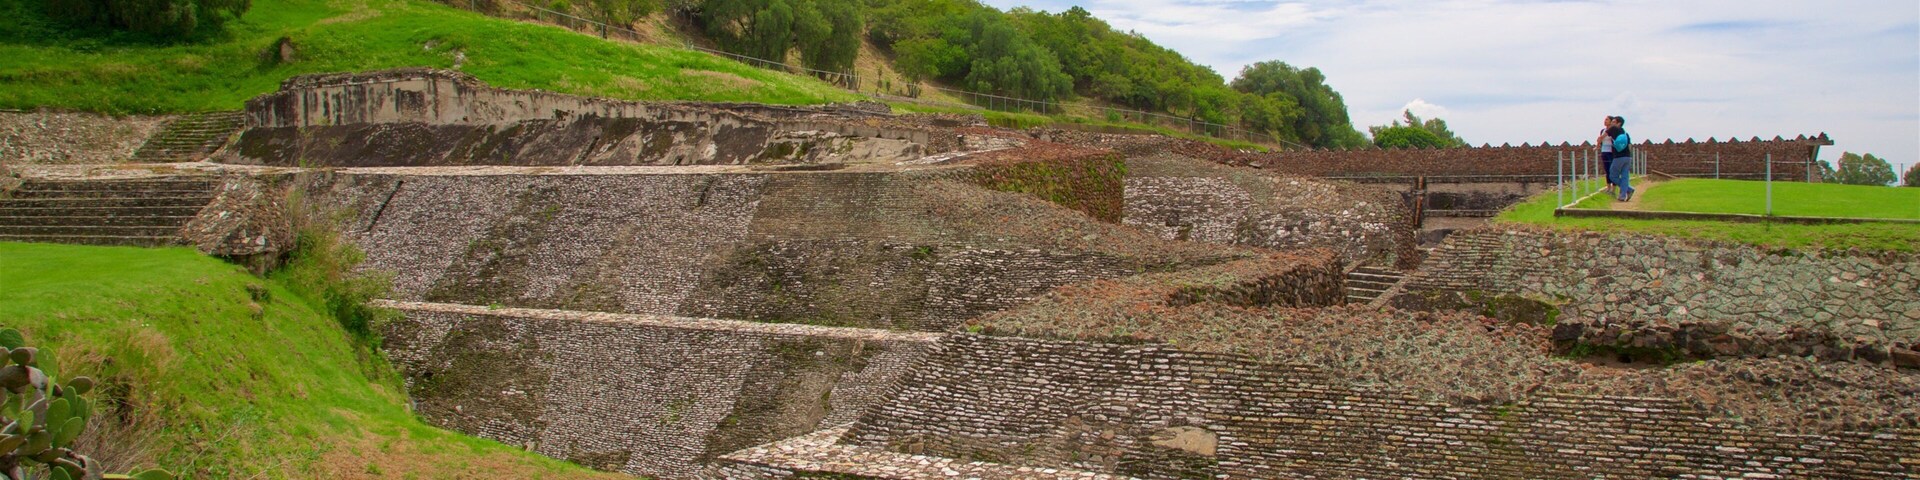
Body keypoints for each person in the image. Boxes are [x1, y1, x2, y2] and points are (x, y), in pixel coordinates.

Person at [1608, 116, 1634, 201]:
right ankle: (1622, 196)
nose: (1612, 123)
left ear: (1619, 123)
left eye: (1614, 122)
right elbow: (1630, 145)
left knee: (1612, 176)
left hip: (1618, 157)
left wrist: (1597, 146)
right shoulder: (1625, 133)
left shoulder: (1613, 129)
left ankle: (1629, 189)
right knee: (1625, 176)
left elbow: (1602, 137)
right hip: (1627, 156)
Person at [1598, 116, 1616, 194]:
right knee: (1607, 170)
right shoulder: (1603, 130)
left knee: (1612, 170)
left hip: (1611, 152)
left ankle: (1613, 188)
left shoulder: (1613, 131)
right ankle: (1608, 187)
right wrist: (1597, 146)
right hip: (1604, 151)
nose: (1605, 121)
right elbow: (1600, 139)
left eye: (1607, 120)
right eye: (1605, 119)